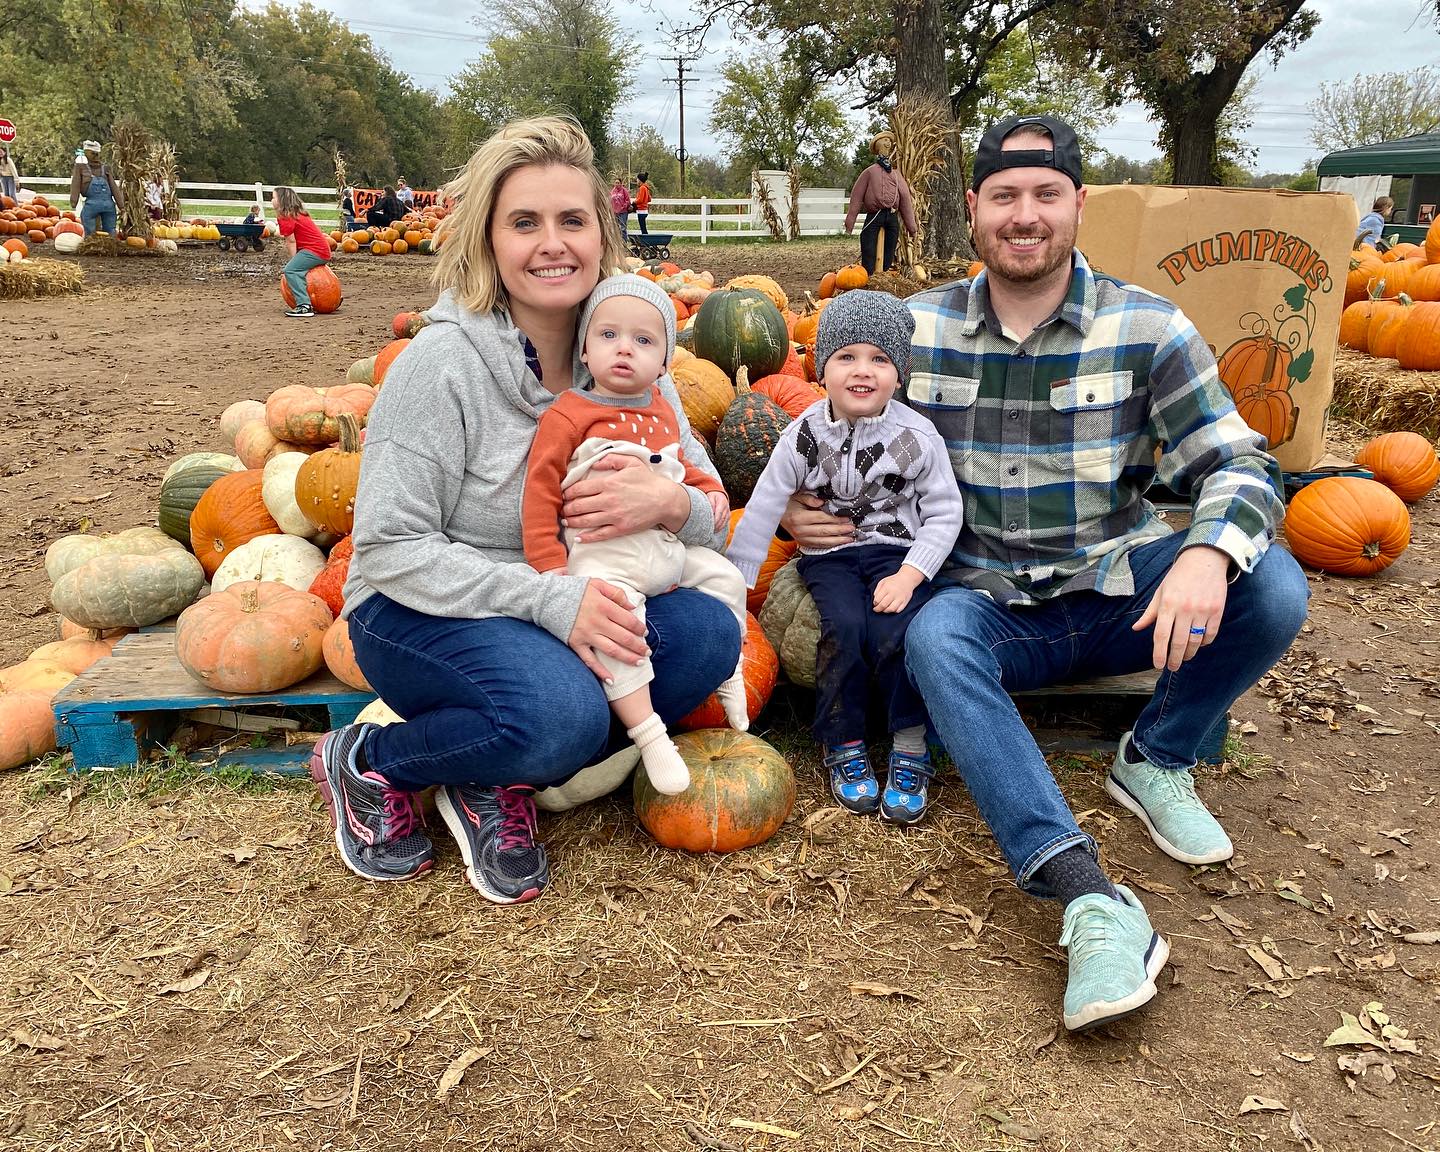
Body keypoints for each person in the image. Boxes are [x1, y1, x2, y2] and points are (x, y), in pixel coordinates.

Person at [785, 114, 1310, 1032]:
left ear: (1076, 204)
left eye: (1045, 194)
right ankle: (1087, 897)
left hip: (1118, 587)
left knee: (1272, 584)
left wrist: (1203, 552)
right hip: (988, 601)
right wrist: (797, 500)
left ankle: (1157, 755)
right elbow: (829, 427)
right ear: (975, 209)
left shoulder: (1147, 325)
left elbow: (1244, 462)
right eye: (1004, 197)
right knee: (939, 638)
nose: (1024, 216)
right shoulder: (920, 329)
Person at [309, 116, 740, 905]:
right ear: (489, 239)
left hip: (564, 601)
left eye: (573, 220)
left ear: (601, 235)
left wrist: (673, 502)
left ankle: (485, 769)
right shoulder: (441, 366)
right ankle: (371, 760)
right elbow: (390, 547)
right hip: (422, 608)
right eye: (525, 222)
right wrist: (549, 598)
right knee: (561, 719)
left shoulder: (629, 351)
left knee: (712, 634)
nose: (553, 244)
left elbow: (712, 509)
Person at [728, 290, 962, 824]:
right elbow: (764, 502)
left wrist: (911, 573)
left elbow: (946, 512)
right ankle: (845, 740)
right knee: (843, 629)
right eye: (846, 357)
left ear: (899, 374)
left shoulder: (916, 437)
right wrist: (738, 581)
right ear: (822, 367)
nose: (863, 372)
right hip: (829, 555)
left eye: (880, 360)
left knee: (897, 632)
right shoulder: (804, 433)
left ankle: (910, 744)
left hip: (895, 553)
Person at [522, 274, 751, 793]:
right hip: (607, 558)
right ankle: (649, 736)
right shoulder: (568, 413)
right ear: (584, 347)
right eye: (608, 336)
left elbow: (681, 466)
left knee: (725, 577)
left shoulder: (664, 409)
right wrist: (550, 571)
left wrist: (704, 492)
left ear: (666, 361)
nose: (624, 349)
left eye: (644, 341)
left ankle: (730, 667)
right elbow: (540, 495)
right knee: (619, 633)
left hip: (664, 550)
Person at [844, 132, 917, 275]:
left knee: (890, 244)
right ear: (877, 145)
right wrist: (850, 222)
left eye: (889, 141)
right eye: (884, 140)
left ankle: (883, 271)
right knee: (868, 241)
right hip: (874, 215)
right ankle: (868, 273)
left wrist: (911, 227)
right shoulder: (869, 172)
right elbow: (857, 196)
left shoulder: (896, 174)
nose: (888, 143)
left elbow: (905, 200)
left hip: (891, 215)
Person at [272, 186, 332, 319]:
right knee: (294, 268)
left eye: (274, 197)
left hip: (315, 251)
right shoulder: (296, 214)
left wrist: (294, 261)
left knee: (291, 270)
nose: (271, 200)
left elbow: (291, 241)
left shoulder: (285, 216)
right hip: (320, 249)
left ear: (282, 201)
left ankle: (304, 306)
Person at [70, 141, 122, 236]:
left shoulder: (80, 168)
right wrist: (120, 204)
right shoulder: (105, 169)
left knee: (88, 221)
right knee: (110, 228)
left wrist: (74, 201)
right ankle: (111, 242)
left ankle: (91, 240)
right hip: (109, 205)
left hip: (92, 205)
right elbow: (114, 187)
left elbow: (75, 184)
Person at [609, 175, 631, 241]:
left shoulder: (624, 191)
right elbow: (610, 200)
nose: (617, 184)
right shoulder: (613, 191)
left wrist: (623, 207)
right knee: (615, 227)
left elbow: (627, 200)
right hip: (615, 212)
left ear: (621, 183)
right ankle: (617, 241)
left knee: (623, 227)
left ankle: (624, 242)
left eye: (618, 183)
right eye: (616, 182)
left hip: (623, 212)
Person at [634, 171, 652, 235]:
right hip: (645, 210)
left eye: (637, 179)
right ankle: (646, 241)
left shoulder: (642, 188)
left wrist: (634, 201)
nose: (636, 180)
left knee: (643, 228)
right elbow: (649, 199)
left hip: (641, 210)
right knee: (643, 227)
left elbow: (640, 200)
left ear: (640, 180)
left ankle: (646, 241)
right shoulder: (646, 188)